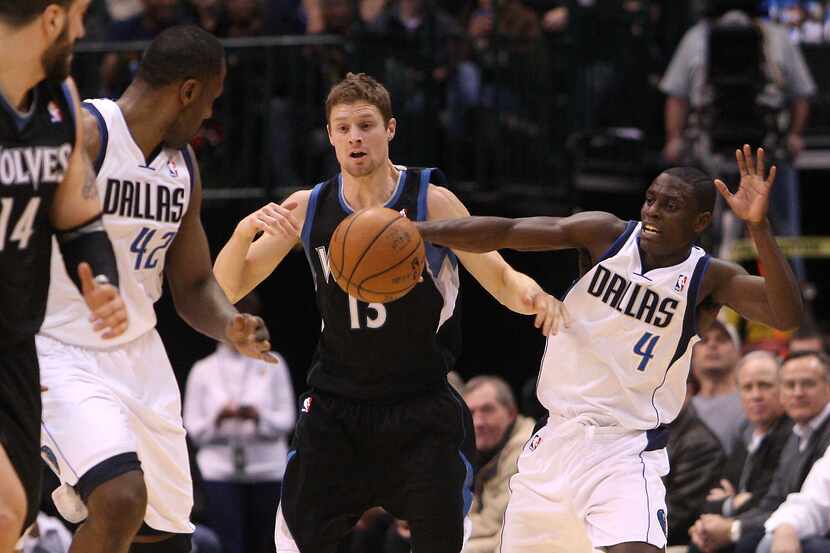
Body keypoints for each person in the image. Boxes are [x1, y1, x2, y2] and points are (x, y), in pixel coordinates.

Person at [212, 72, 565, 553]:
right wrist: (239, 234)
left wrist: (536, 297)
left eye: (366, 125)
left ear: (390, 129)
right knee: (294, 541)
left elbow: (500, 276)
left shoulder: (430, 200)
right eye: (343, 128)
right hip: (337, 405)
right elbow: (228, 286)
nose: (355, 137)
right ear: (331, 136)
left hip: (419, 402)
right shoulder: (308, 207)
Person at [415, 145, 803, 553]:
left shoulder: (709, 278)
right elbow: (508, 232)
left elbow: (786, 314)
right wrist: (423, 232)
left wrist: (758, 228)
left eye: (671, 205)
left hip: (624, 447)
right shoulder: (606, 235)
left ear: (700, 221)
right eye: (651, 199)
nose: (652, 211)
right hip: (555, 438)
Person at [36, 25, 274, 553]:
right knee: (120, 499)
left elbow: (191, 284)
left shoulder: (183, 167)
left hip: (141, 357)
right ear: (187, 92)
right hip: (58, 346)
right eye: (210, 101)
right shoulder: (89, 134)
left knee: (166, 534)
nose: (210, 115)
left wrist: (228, 323)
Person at [0, 1, 130, 551]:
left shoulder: (61, 99)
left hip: (12, 340)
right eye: (77, 16)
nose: (81, 31)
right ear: (51, 19)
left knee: (17, 513)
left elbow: (79, 219)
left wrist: (101, 282)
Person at [184, 291, 296, 553]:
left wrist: (258, 417)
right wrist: (217, 419)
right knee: (230, 545)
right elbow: (193, 429)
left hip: (267, 469)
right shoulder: (203, 369)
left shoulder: (274, 364)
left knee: (267, 544)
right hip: (220, 471)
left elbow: (288, 419)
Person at [690, 351, 830, 553]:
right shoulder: (789, 432)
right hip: (783, 522)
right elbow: (713, 497)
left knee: (753, 541)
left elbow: (789, 502)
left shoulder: (791, 430)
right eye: (790, 385)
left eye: (807, 384)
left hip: (808, 533)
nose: (798, 392)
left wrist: (733, 524)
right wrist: (731, 508)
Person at [703, 352, 791, 521]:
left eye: (765, 385)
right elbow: (710, 500)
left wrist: (729, 503)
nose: (756, 395)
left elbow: (767, 501)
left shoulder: (792, 434)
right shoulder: (744, 432)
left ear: (782, 387)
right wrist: (734, 502)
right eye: (747, 387)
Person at [462, 376, 536, 553]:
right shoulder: (480, 447)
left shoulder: (526, 447)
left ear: (510, 413)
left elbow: (493, 525)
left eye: (487, 410)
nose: (478, 422)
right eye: (471, 413)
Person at [691, 319, 746, 455]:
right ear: (692, 356)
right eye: (704, 341)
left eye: (721, 340)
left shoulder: (753, 402)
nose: (712, 345)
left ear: (737, 352)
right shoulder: (678, 409)